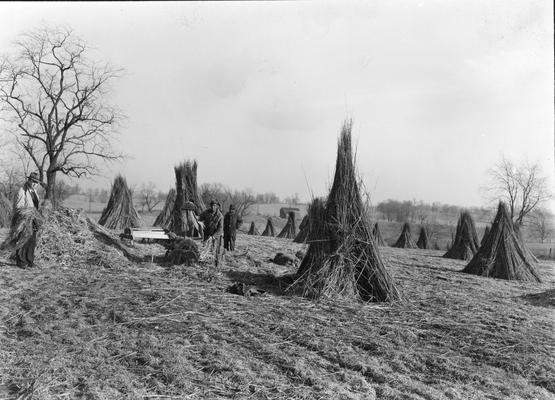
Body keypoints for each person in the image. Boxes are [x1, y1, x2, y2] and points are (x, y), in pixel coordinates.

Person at [11, 172, 45, 268]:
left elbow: (36, 205)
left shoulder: (34, 192)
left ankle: (30, 260)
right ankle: (21, 262)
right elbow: (19, 206)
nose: (35, 183)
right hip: (24, 218)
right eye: (33, 181)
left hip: (33, 218)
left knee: (32, 240)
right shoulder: (22, 191)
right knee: (22, 239)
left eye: (36, 182)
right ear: (29, 180)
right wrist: (28, 212)